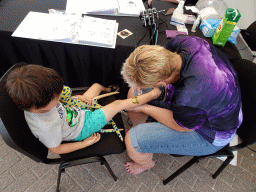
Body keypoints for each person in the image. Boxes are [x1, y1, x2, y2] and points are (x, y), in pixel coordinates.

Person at [121, 35, 243, 175]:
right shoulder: (185, 42)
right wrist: (144, 96)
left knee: (131, 141)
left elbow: (180, 126)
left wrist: (143, 107)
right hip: (213, 104)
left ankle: (146, 164)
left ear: (160, 83)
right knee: (134, 93)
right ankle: (145, 136)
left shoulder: (189, 97)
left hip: (210, 133)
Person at [6, 64, 162, 154]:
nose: (59, 96)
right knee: (118, 104)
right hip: (81, 128)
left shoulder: (37, 104)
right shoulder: (45, 127)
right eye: (55, 97)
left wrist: (74, 99)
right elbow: (56, 149)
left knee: (95, 86)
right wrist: (85, 143)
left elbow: (59, 106)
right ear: (39, 106)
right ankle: (154, 94)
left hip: (74, 111)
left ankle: (107, 91)